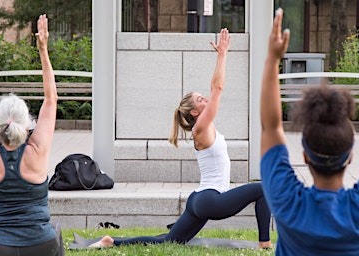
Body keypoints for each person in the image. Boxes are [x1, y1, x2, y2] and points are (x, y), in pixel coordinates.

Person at [90, 28, 273, 249]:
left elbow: (214, 88)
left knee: (168, 241)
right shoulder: (201, 128)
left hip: (200, 199)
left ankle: (112, 242)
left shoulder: (205, 126)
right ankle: (265, 243)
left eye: (202, 96)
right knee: (264, 188)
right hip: (210, 200)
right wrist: (222, 54)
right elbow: (218, 88)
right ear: (195, 112)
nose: (205, 97)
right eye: (200, 99)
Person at [259, 8, 359, 256]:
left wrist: (272, 59)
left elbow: (271, 127)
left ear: (305, 156)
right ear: (350, 156)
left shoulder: (288, 204)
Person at [0, 15, 62, 256]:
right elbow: (51, 99)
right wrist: (43, 50)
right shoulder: (36, 151)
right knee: (56, 232)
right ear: (28, 124)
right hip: (40, 244)